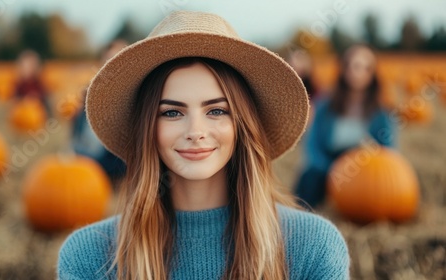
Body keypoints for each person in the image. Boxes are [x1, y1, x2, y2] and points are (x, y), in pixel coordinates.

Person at [58, 11, 349, 280]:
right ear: (147, 128)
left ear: (241, 125)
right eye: (172, 112)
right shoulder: (90, 257)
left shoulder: (312, 247)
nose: (195, 132)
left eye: (216, 111)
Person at [294, 44, 396, 209]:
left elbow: (389, 149)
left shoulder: (381, 112)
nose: (359, 73)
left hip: (365, 171)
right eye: (355, 66)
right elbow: (313, 145)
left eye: (366, 68)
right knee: (309, 177)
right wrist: (331, 170)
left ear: (373, 73)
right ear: (345, 68)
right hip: (329, 165)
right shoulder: (325, 106)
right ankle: (300, 212)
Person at [71, 40, 128, 182]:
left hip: (113, 160)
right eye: (107, 62)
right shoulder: (91, 92)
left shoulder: (132, 94)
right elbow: (79, 131)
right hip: (88, 151)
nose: (111, 67)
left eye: (116, 61)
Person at [13, 49, 52, 116]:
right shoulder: (19, 85)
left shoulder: (39, 85)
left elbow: (46, 102)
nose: (29, 69)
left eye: (32, 65)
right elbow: (15, 101)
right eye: (26, 66)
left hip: (37, 115)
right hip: (23, 114)